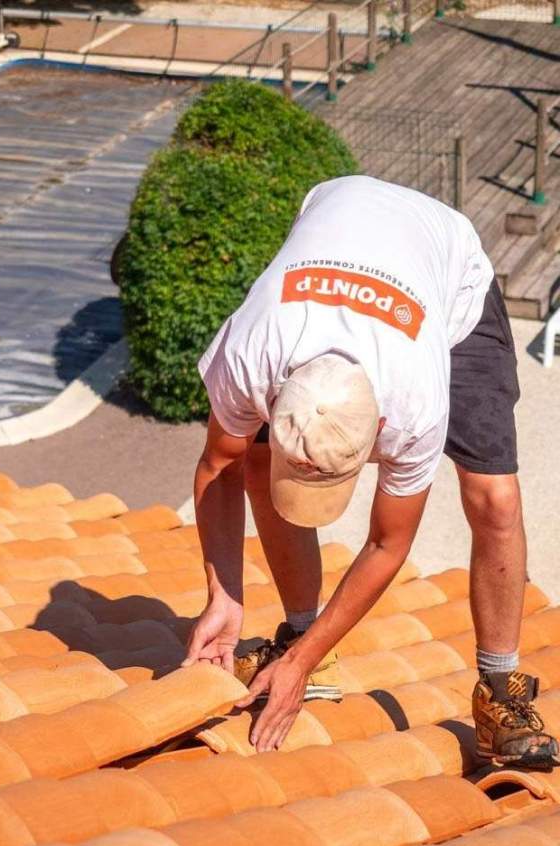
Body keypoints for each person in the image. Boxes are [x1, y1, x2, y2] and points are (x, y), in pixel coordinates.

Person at [183, 175, 558, 767]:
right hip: (337, 232)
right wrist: (222, 598)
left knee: (494, 499)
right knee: (252, 460)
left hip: (446, 278)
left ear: (379, 436)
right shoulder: (253, 353)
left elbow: (388, 542)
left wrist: (297, 669)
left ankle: (500, 691)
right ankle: (302, 630)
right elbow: (218, 465)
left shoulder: (415, 403)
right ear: (274, 400)